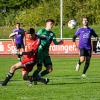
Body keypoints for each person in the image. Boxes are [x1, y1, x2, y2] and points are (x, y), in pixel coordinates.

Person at [31, 19, 63, 83]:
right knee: (39, 68)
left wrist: (60, 42)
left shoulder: (52, 34)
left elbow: (55, 42)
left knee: (49, 69)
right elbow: (35, 38)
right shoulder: (41, 31)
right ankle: (32, 79)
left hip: (46, 53)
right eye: (50, 24)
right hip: (40, 52)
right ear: (46, 24)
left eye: (52, 24)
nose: (52, 25)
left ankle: (37, 77)